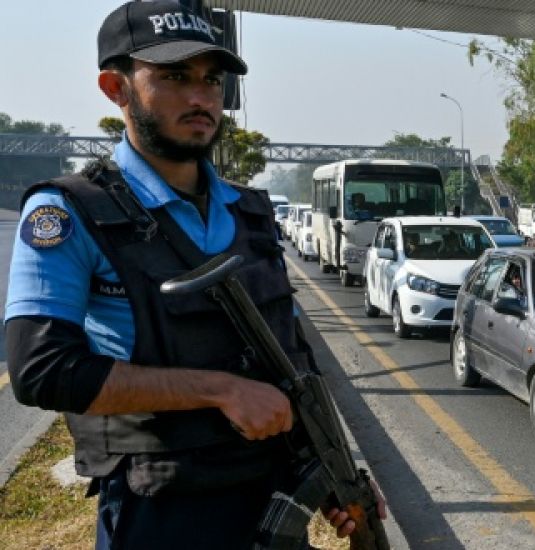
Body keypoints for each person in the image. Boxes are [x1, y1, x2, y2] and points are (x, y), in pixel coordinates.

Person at [2, 3, 382, 548]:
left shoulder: (250, 211)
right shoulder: (67, 212)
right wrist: (219, 390)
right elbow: (41, 371)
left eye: (212, 79)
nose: (202, 97)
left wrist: (331, 472)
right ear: (116, 87)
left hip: (272, 503)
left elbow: (290, 357)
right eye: (175, 77)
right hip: (158, 512)